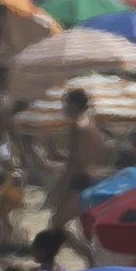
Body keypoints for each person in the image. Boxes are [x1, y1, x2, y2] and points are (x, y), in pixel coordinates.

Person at [52, 88, 111, 234]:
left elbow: (75, 162)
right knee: (85, 230)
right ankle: (90, 255)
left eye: (66, 104)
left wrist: (61, 186)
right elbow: (95, 153)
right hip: (93, 177)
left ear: (74, 105)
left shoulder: (77, 126)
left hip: (79, 180)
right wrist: (65, 155)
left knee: (57, 222)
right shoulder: (92, 125)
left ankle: (90, 256)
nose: (64, 108)